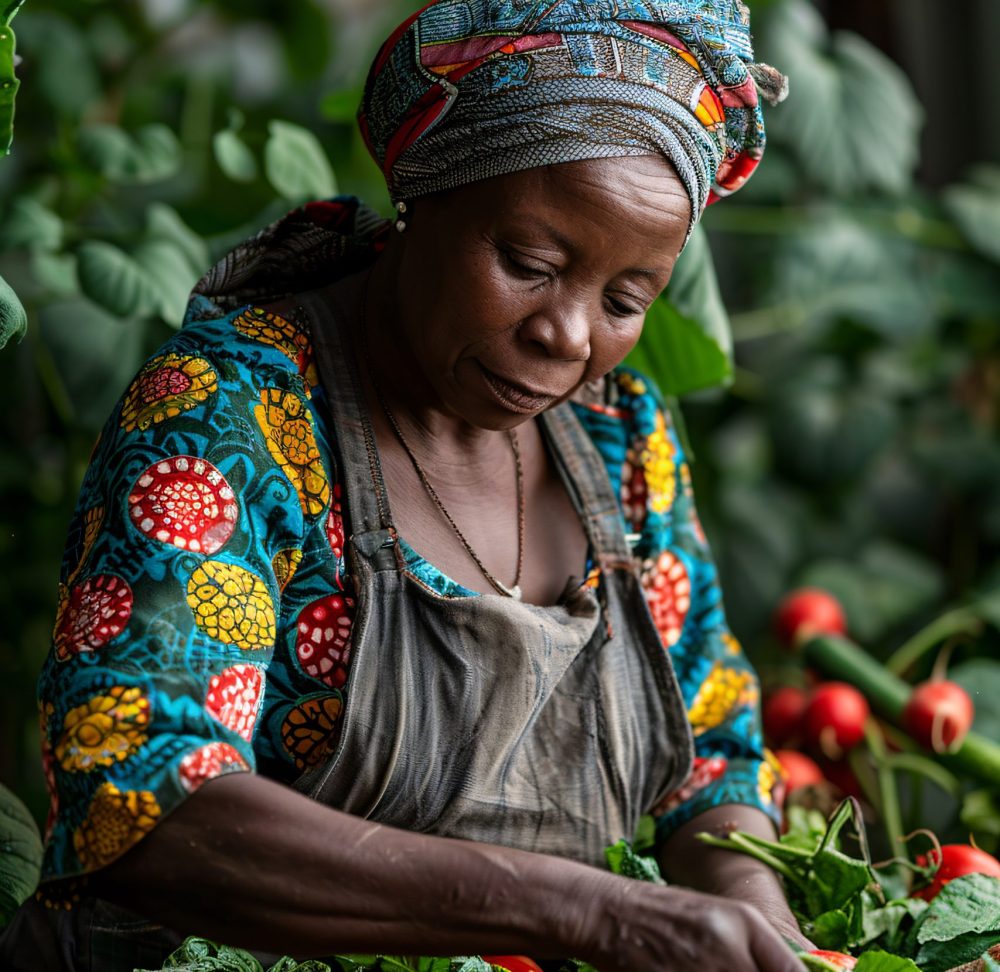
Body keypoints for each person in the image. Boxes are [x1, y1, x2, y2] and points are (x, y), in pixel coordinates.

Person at [1, 2, 807, 970]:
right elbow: (146, 801)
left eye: (625, 300)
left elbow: (710, 758)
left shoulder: (621, 436)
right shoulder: (233, 414)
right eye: (529, 264)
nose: (567, 335)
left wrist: (765, 923)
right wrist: (588, 915)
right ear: (426, 194)